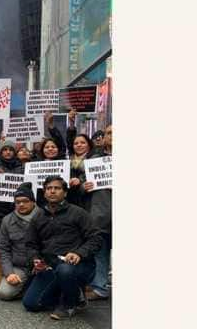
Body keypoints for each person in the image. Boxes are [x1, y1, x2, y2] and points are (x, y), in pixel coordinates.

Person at [22, 176, 102, 320]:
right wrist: (35, 259)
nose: (52, 191)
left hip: (78, 266)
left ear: (65, 193)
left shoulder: (78, 213)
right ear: (44, 192)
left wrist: (79, 253)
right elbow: (30, 244)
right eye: (49, 188)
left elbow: (96, 238)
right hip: (51, 267)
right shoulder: (38, 216)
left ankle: (70, 303)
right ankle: (70, 292)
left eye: (57, 188)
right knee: (31, 304)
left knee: (65, 270)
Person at [0, 183, 43, 300]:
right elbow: (3, 248)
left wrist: (44, 263)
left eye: (25, 201)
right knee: (4, 293)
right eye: (18, 202)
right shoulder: (7, 220)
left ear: (33, 202)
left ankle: (30, 287)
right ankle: (26, 287)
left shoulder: (45, 216)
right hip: (19, 267)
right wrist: (9, 273)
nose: (21, 204)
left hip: (41, 266)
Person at [0, 140, 25, 286]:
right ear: (0, 152)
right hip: (0, 210)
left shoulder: (22, 167)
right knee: (0, 241)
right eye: (5, 150)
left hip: (18, 209)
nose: (8, 152)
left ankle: (15, 271)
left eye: (10, 149)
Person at [83, 124, 112, 301]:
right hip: (101, 214)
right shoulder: (94, 159)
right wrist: (84, 186)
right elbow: (82, 180)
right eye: (109, 133)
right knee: (100, 252)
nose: (112, 136)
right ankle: (100, 288)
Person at [67, 133, 96, 208]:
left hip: (89, 201)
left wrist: (80, 181)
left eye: (83, 143)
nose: (79, 145)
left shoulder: (95, 159)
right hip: (71, 201)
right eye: (76, 143)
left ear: (89, 145)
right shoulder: (67, 162)